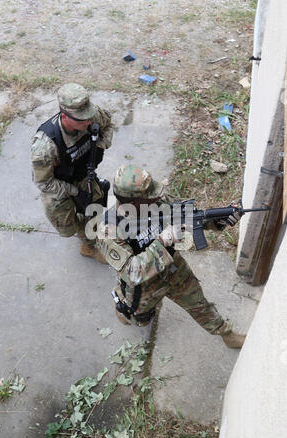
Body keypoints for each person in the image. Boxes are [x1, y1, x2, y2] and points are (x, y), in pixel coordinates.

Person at [96, 164, 246, 349]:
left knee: (199, 303)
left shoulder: (158, 202)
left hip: (173, 268)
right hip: (143, 287)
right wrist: (162, 240)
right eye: (149, 196)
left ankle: (226, 334)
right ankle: (124, 308)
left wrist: (218, 220)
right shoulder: (108, 230)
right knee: (139, 319)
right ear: (133, 202)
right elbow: (132, 272)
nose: (157, 196)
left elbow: (187, 217)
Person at [31, 83, 114, 263]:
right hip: (58, 186)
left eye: (89, 116)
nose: (89, 122)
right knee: (67, 226)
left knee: (94, 210)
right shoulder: (45, 146)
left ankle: (89, 245)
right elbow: (44, 183)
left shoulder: (92, 116)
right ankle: (81, 232)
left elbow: (109, 125)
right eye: (82, 119)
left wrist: (100, 145)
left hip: (84, 175)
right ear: (64, 116)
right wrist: (76, 192)